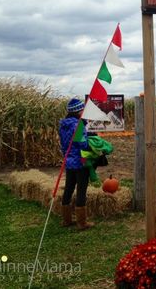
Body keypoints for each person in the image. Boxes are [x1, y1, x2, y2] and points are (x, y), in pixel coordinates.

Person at [59, 98, 94, 230]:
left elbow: (64, 145)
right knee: (81, 190)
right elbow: (83, 144)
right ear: (78, 112)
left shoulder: (63, 125)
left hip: (69, 161)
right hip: (80, 162)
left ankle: (66, 220)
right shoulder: (78, 125)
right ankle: (81, 222)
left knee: (68, 188)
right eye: (82, 110)